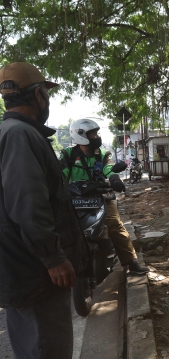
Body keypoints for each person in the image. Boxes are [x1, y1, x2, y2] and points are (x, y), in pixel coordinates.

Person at [0, 62, 88, 358]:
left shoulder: (12, 132)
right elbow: (28, 204)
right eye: (45, 94)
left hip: (22, 272)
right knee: (46, 348)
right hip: (35, 275)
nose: (48, 100)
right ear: (38, 95)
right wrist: (54, 258)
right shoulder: (20, 136)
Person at [60, 118, 149, 275]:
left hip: (100, 196)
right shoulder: (68, 155)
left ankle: (131, 262)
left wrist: (114, 178)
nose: (96, 136)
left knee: (115, 225)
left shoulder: (101, 153)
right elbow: (61, 173)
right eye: (92, 134)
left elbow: (109, 166)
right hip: (75, 199)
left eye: (96, 133)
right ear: (80, 135)